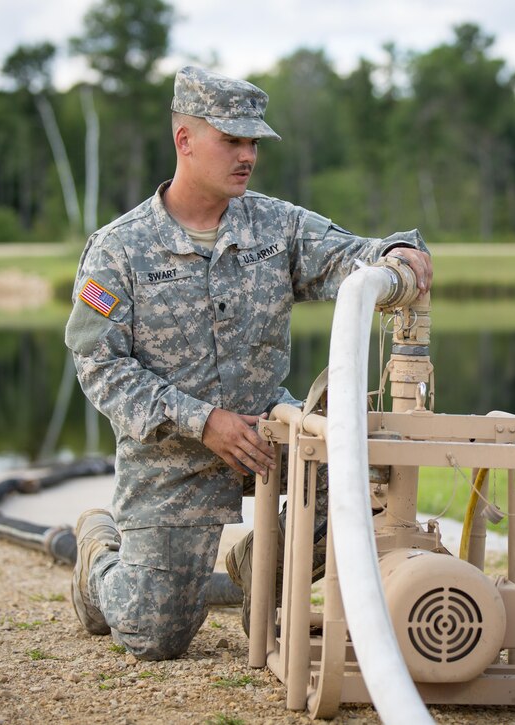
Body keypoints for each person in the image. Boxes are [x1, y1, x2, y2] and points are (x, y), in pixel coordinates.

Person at [65, 65, 432, 660]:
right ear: (185, 140)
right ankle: (97, 562)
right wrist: (201, 421)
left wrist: (397, 253)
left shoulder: (274, 225)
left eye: (253, 142)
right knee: (152, 636)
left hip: (269, 435)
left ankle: (259, 570)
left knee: (367, 483)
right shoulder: (118, 249)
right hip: (173, 454)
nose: (247, 155)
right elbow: (98, 365)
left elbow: (354, 256)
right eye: (231, 140)